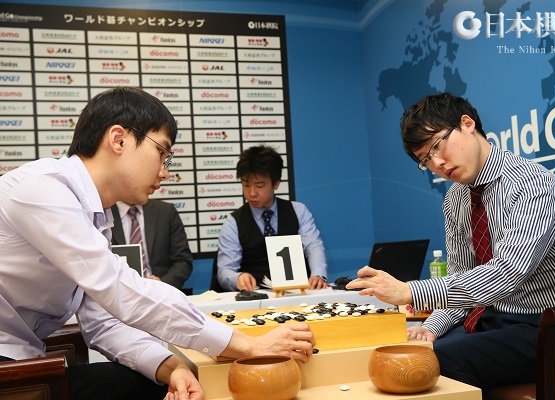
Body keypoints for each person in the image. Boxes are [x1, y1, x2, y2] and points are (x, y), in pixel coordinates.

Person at [0, 87, 315, 400]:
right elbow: (121, 290)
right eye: (162, 153)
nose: (165, 172)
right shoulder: (43, 190)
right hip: (11, 366)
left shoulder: (94, 217)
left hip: (23, 360)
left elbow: (103, 321)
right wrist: (248, 345)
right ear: (119, 140)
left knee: (163, 383)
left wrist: (170, 366)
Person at [347, 92, 555, 391]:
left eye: (437, 146)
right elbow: (462, 280)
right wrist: (430, 327)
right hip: (496, 317)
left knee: (427, 364)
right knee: (408, 352)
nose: (438, 163)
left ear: (467, 124)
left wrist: (409, 291)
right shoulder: (455, 198)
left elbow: (507, 273)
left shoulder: (533, 185)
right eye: (425, 160)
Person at [216, 145, 328, 292]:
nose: (252, 193)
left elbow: (313, 246)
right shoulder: (233, 222)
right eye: (246, 185)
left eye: (259, 185)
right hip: (256, 296)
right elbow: (225, 270)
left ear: (276, 183)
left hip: (298, 293)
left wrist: (318, 275)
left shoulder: (298, 211)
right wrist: (238, 278)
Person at [111, 199, 193, 290]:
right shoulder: (104, 213)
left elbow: (182, 260)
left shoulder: (165, 211)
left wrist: (162, 284)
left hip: (161, 293)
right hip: (119, 292)